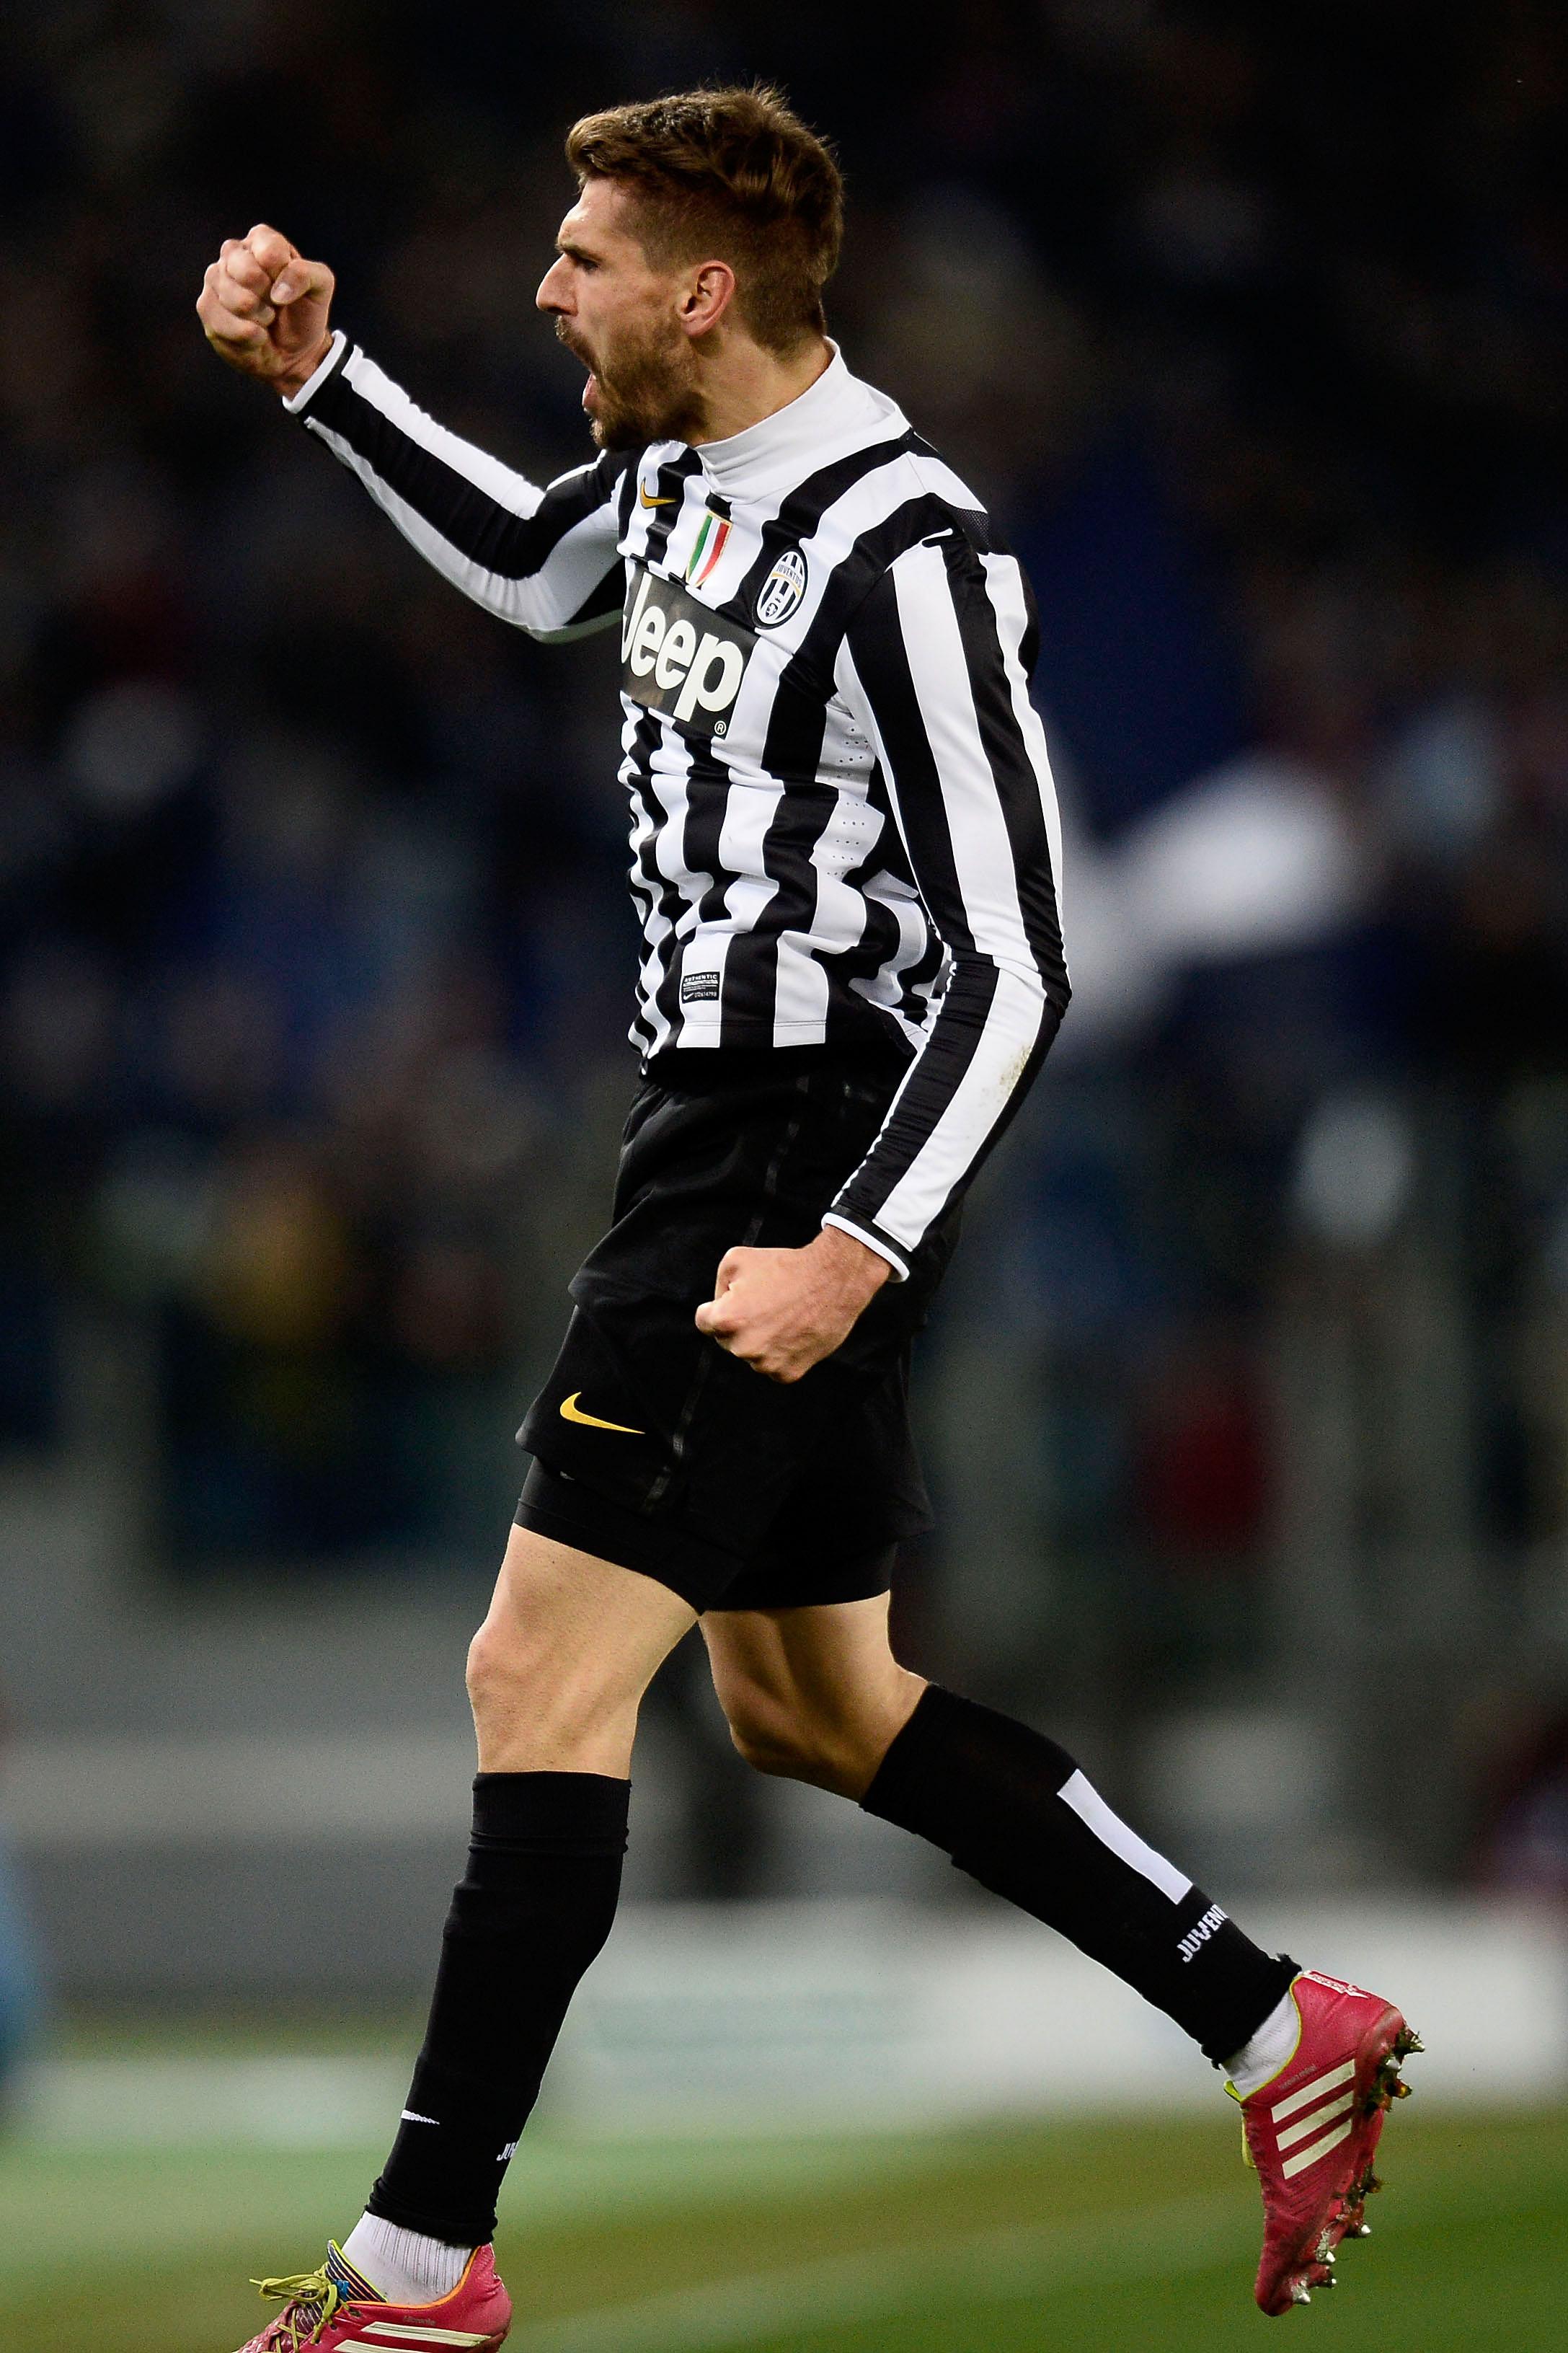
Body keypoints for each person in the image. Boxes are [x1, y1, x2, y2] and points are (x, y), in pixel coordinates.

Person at [198, 85, 1417, 2346]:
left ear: (702, 291)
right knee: (813, 1701)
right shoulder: (674, 471)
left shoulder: (905, 550)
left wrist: (858, 1244)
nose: (546, 291)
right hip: (723, 1139)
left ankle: (422, 2259)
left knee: (533, 1671)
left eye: (581, 259)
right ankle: (1275, 2022)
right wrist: (323, 378)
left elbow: (1020, 958)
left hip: (790, 1160)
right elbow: (536, 566)